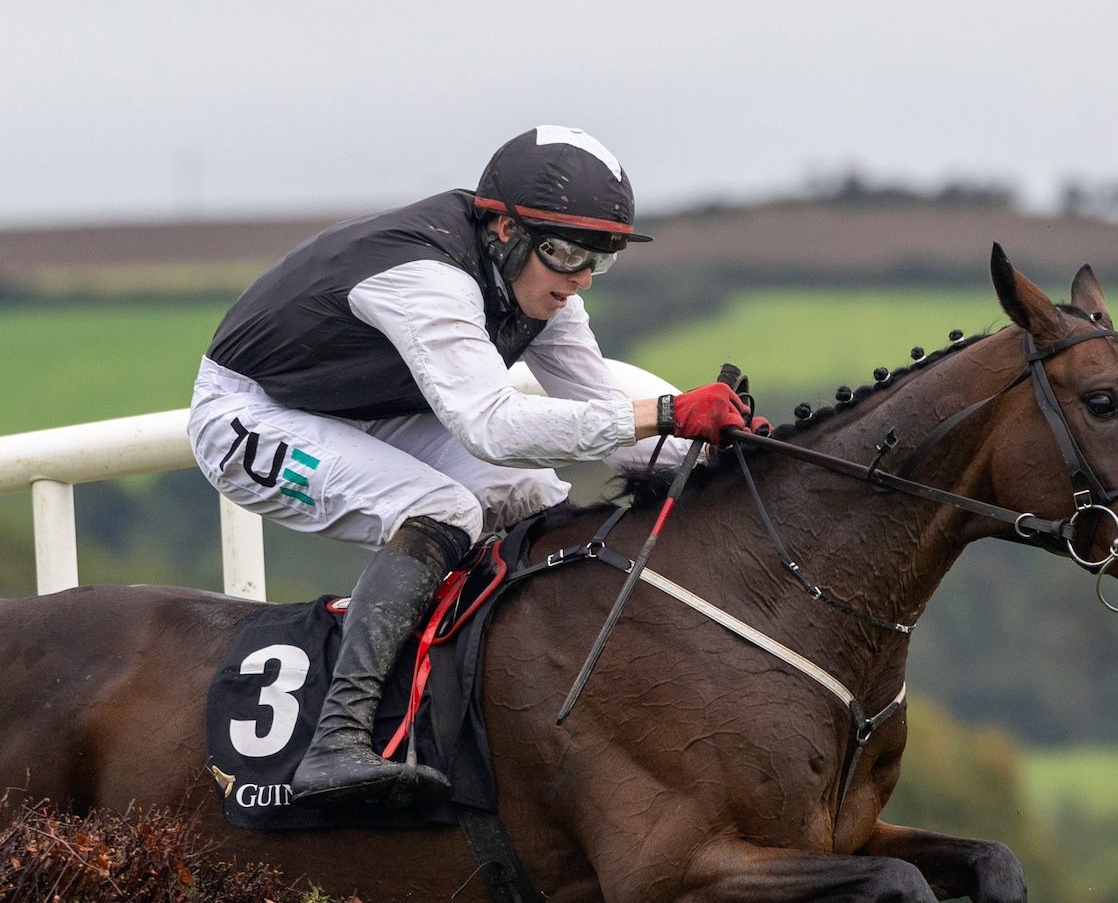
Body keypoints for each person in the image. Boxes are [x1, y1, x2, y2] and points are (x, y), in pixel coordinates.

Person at [188, 126, 752, 807]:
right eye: (566, 252)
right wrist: (665, 411)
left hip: (365, 408)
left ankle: (501, 697)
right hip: (250, 413)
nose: (578, 280)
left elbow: (614, 433)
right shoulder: (427, 280)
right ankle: (337, 738)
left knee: (535, 498)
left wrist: (732, 452)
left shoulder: (543, 289)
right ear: (506, 230)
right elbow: (494, 426)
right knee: (444, 509)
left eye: (598, 259)